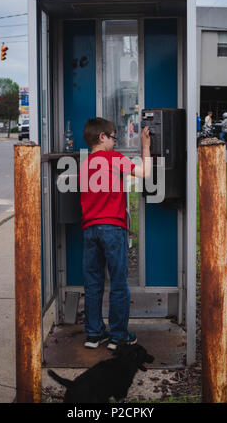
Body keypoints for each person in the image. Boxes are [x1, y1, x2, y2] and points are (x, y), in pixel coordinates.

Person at [78, 117, 151, 350]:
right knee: (119, 283)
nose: (115, 142)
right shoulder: (114, 159)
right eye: (113, 137)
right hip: (112, 228)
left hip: (90, 231)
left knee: (93, 284)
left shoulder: (84, 165)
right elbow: (145, 173)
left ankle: (94, 334)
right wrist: (145, 145)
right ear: (102, 137)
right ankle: (118, 336)